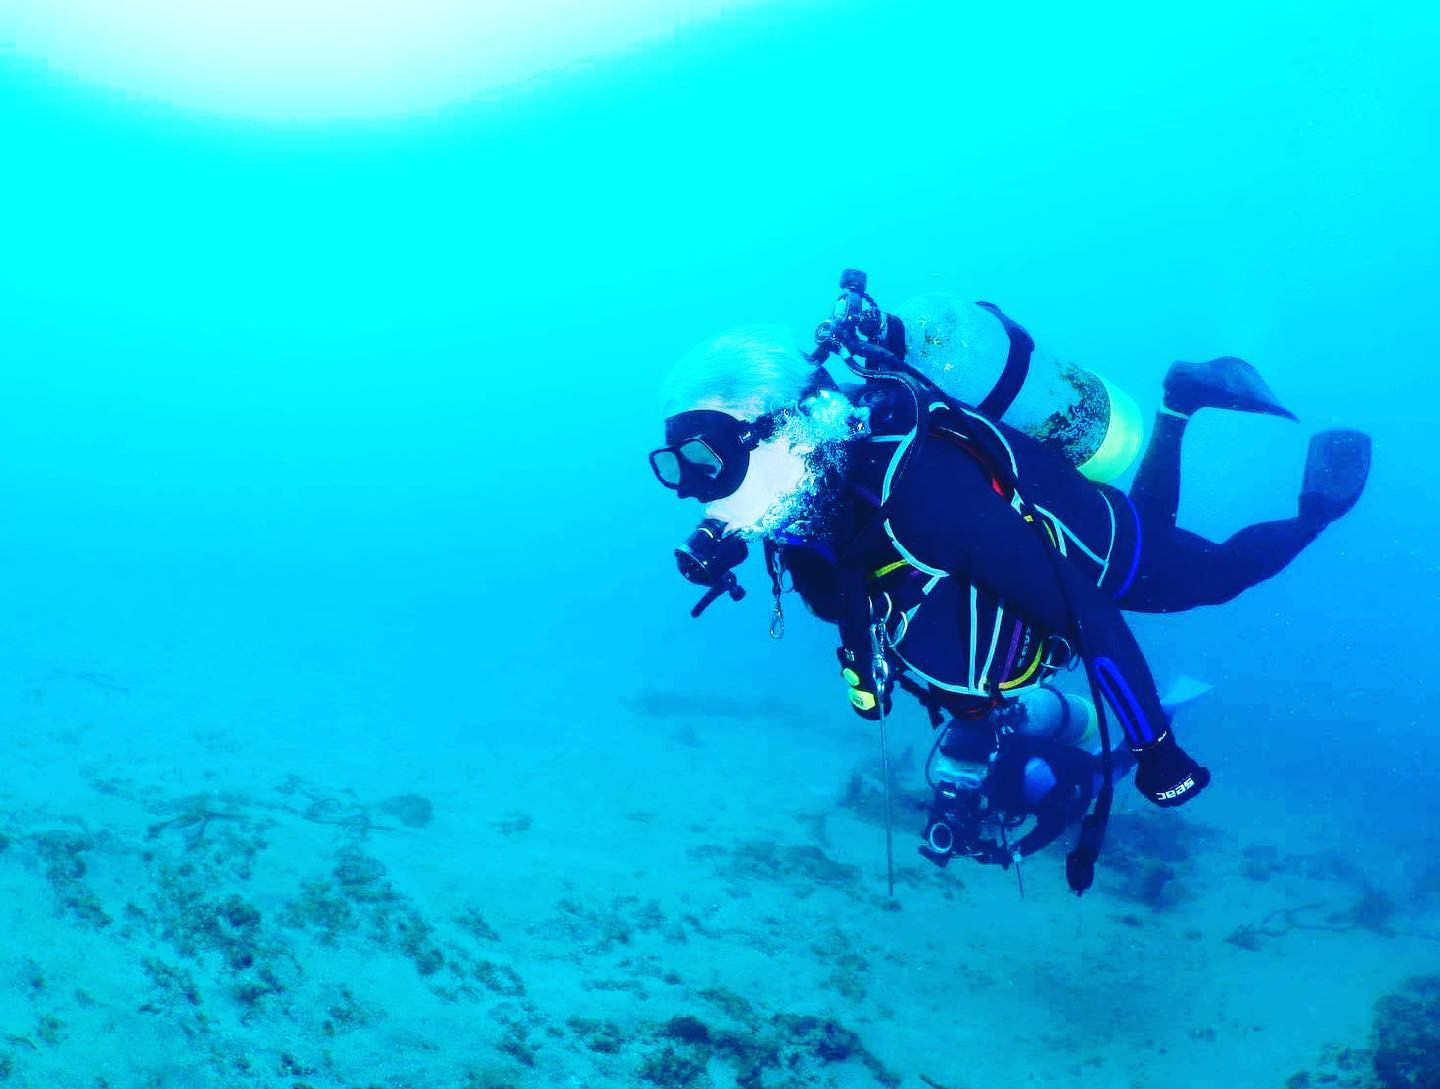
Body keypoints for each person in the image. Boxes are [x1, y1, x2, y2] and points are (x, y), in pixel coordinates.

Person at [650, 278, 1370, 887]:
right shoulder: (811, 498)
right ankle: (1180, 401)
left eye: (704, 460)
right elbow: (851, 590)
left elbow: (1085, 612)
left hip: (1095, 553)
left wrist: (1155, 747)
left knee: (1212, 574)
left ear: (780, 427)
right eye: (674, 466)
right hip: (1047, 555)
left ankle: (1317, 512)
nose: (691, 490)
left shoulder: (921, 492)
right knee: (1152, 522)